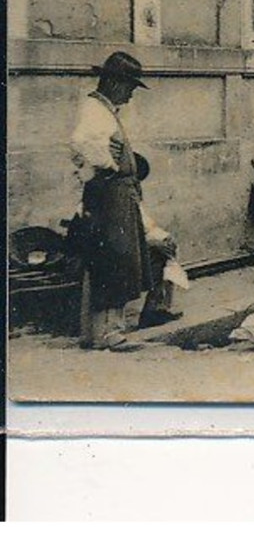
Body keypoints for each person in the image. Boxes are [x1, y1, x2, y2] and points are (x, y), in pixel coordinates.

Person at [68, 51, 163, 349]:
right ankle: (108, 333)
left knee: (120, 261)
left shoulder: (106, 110)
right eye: (130, 86)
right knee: (113, 260)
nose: (132, 94)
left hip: (118, 195)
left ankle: (104, 331)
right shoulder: (95, 109)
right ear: (113, 82)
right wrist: (109, 164)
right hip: (109, 195)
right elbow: (80, 144)